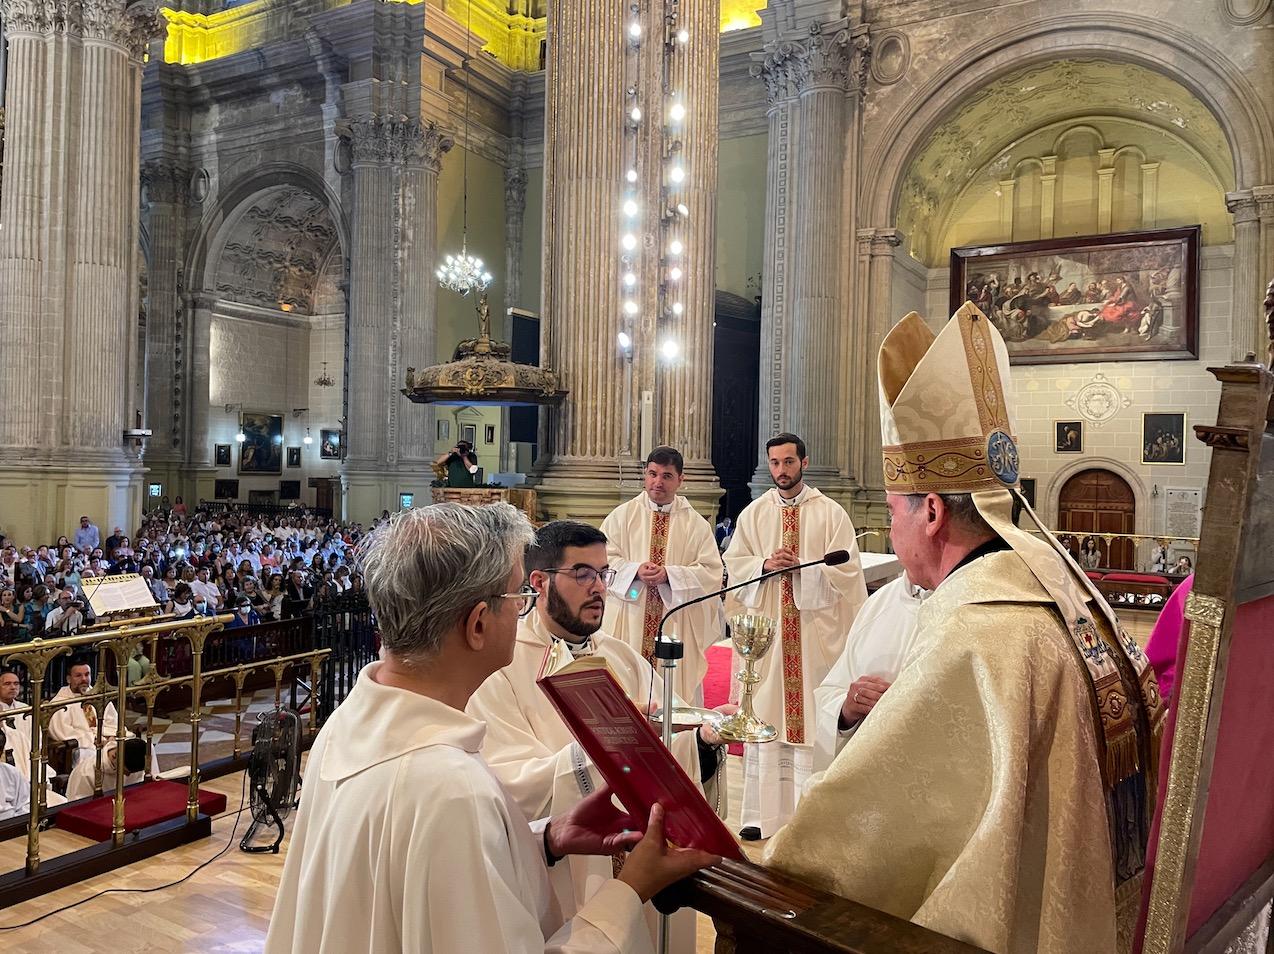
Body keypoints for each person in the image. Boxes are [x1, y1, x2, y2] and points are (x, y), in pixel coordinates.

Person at [764, 303, 1163, 954]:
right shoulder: (1065, 593)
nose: (890, 532)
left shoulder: (976, 636)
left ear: (928, 512)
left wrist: (765, 862)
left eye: (893, 512)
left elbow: (853, 844)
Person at [265, 503, 717, 954]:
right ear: (479, 623)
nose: (524, 608)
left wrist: (546, 842)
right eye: (518, 593)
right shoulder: (449, 789)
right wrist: (630, 889)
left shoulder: (346, 724)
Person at [467, 521, 726, 952]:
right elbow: (510, 785)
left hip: (643, 856)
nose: (599, 588)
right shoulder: (504, 667)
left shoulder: (621, 656)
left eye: (603, 574)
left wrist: (702, 743)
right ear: (540, 581)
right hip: (568, 873)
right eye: (583, 574)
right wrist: (609, 745)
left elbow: (665, 742)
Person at [722, 432, 867, 840]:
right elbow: (734, 567)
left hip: (812, 637)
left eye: (788, 462)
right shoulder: (754, 514)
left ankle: (810, 819)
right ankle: (761, 816)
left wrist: (804, 568)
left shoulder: (831, 513)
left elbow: (848, 573)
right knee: (765, 713)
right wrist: (765, 564)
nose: (781, 471)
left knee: (811, 714)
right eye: (774, 463)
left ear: (804, 462)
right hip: (769, 638)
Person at [600, 446, 725, 703]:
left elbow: (713, 572)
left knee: (674, 695)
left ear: (681, 479)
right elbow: (602, 562)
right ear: (645, 475)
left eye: (667, 476)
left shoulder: (696, 525)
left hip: (674, 621)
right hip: (630, 617)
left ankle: (676, 742)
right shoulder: (621, 517)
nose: (658, 482)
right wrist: (634, 570)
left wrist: (670, 575)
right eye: (652, 474)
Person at [810, 572, 928, 772]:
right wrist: (847, 710)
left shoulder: (979, 604)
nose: (891, 538)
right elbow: (832, 691)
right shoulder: (880, 602)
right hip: (868, 777)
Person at [48, 662, 152, 800]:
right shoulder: (59, 703)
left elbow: (113, 721)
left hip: (107, 740)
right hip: (82, 746)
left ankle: (137, 791)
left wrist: (109, 736)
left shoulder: (99, 696)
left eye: (87, 674)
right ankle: (99, 796)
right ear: (68, 679)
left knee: (141, 748)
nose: (84, 679)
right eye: (78, 675)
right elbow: (62, 732)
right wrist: (93, 738)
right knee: (91, 758)